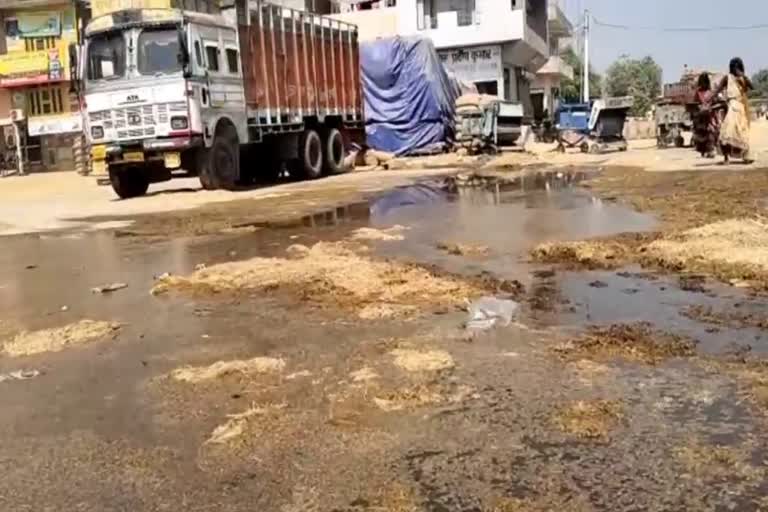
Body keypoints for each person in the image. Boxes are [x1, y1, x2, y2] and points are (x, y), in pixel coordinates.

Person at [713, 57, 753, 164]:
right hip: (731, 107)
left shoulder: (743, 78)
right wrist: (709, 100)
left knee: (742, 133)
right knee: (727, 133)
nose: (736, 69)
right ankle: (726, 158)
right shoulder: (727, 78)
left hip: (741, 108)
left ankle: (746, 156)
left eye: (737, 67)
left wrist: (743, 76)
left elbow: (752, 87)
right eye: (734, 67)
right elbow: (717, 90)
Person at [691, 73, 720, 158]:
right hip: (701, 117)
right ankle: (703, 151)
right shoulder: (698, 92)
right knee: (701, 135)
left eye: (705, 82)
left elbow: (715, 101)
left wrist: (711, 107)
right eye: (702, 82)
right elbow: (695, 103)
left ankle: (710, 149)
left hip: (710, 116)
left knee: (711, 133)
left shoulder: (711, 92)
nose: (703, 84)